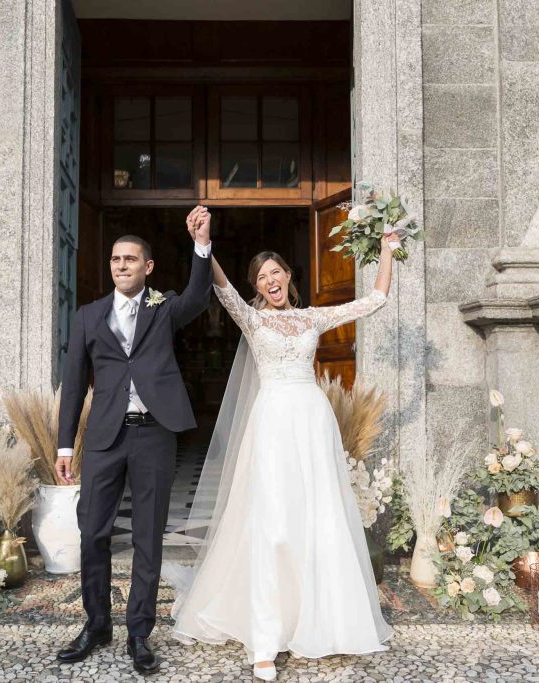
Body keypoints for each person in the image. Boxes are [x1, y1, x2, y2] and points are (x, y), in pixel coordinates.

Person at [165, 217, 399, 680]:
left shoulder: (312, 318)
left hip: (312, 422)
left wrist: (388, 248)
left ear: (288, 276)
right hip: (271, 421)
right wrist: (202, 243)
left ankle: (323, 620)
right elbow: (223, 288)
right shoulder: (252, 319)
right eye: (262, 278)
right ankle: (264, 639)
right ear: (258, 287)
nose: (270, 281)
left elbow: (376, 300)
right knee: (271, 524)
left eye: (276, 273)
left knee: (317, 518)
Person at [55, 207, 213, 676]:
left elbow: (199, 297)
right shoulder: (88, 316)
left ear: (148, 267)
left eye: (131, 259)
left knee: (147, 537)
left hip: (154, 436)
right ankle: (96, 623)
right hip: (105, 437)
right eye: (115, 259)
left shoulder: (163, 309)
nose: (121, 265)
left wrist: (201, 245)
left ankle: (139, 633)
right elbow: (73, 381)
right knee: (94, 532)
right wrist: (66, 446)